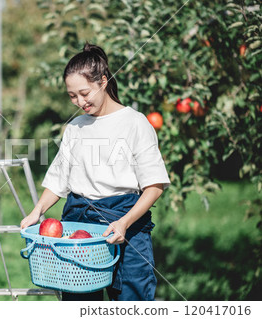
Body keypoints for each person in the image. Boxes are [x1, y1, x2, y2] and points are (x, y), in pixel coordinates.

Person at [20, 43, 170, 301]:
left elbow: (154, 186)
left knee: (132, 302)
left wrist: (124, 222)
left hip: (125, 224)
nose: (79, 102)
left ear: (102, 81)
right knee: (79, 304)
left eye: (84, 92)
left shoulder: (134, 123)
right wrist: (38, 211)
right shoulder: (75, 128)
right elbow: (58, 181)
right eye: (72, 96)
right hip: (79, 227)